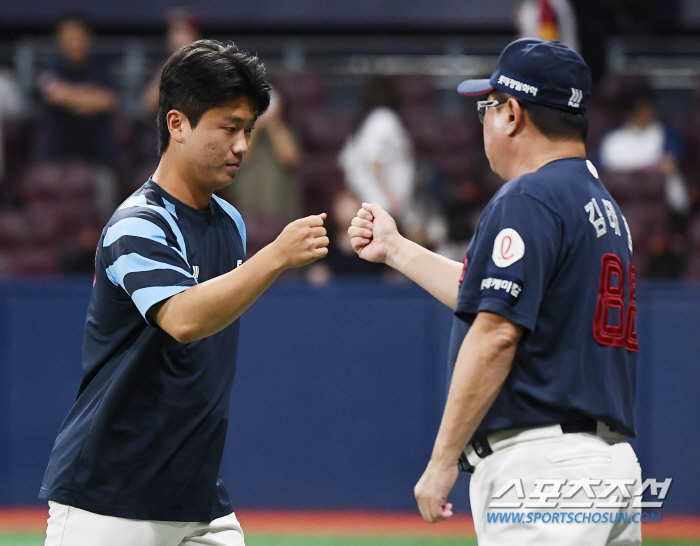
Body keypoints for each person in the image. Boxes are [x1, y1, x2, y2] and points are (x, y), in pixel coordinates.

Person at [349, 38, 641, 545]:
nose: (481, 119)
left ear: (511, 113)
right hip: (608, 465)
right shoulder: (602, 207)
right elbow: (490, 295)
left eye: (486, 106)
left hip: (543, 470)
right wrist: (396, 249)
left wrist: (442, 459)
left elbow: (497, 332)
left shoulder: (529, 197)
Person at [40, 40, 328, 546]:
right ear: (177, 124)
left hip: (198, 501)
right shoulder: (138, 225)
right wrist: (277, 255)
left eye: (249, 130)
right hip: (109, 499)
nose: (242, 145)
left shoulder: (230, 224)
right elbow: (183, 319)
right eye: (229, 127)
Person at [38, 13, 117, 167]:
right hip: (58, 156)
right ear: (59, 40)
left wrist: (68, 95)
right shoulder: (52, 67)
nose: (74, 44)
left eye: (78, 38)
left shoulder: (99, 67)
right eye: (68, 39)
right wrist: (87, 96)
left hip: (97, 157)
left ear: (88, 39)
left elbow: (106, 101)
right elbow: (53, 94)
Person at [339, 76, 415, 226]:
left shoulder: (365, 123)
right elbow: (376, 161)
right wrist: (392, 197)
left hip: (369, 205)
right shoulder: (383, 119)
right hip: (380, 206)